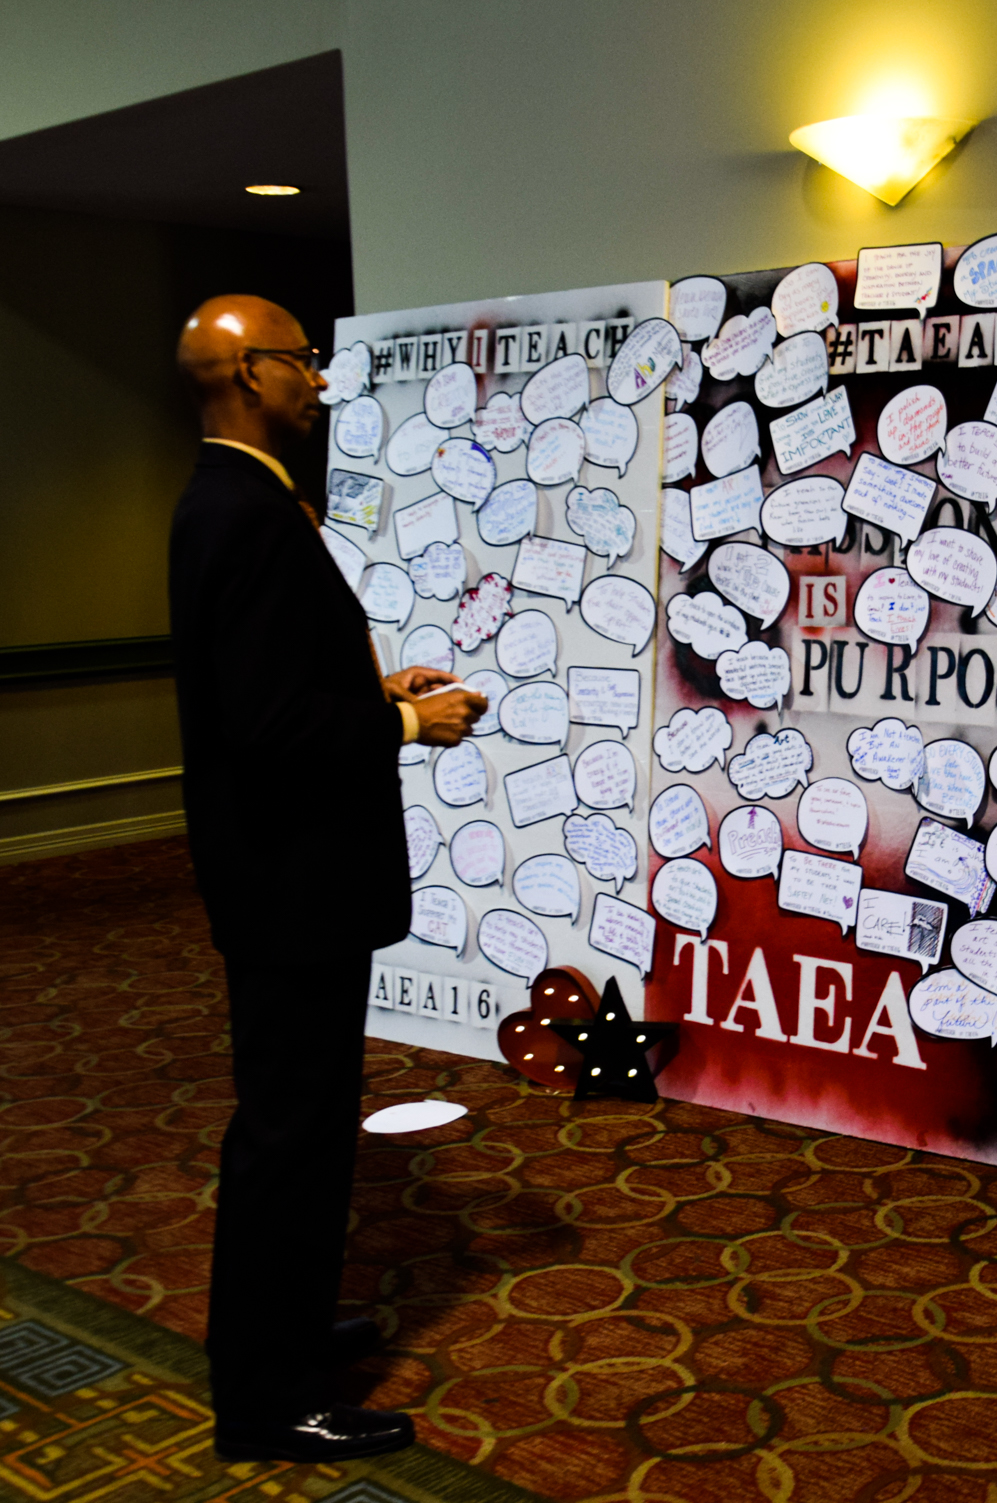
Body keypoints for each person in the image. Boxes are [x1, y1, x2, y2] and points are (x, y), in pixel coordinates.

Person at [168, 295, 485, 1462]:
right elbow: (264, 729)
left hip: (278, 880)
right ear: (251, 372)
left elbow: (265, 686)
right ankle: (267, 1401)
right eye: (303, 359)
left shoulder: (225, 501)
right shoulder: (246, 514)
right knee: (290, 1137)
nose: (320, 379)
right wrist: (403, 723)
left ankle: (287, 1333)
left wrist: (371, 689)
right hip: (290, 884)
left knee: (302, 1128)